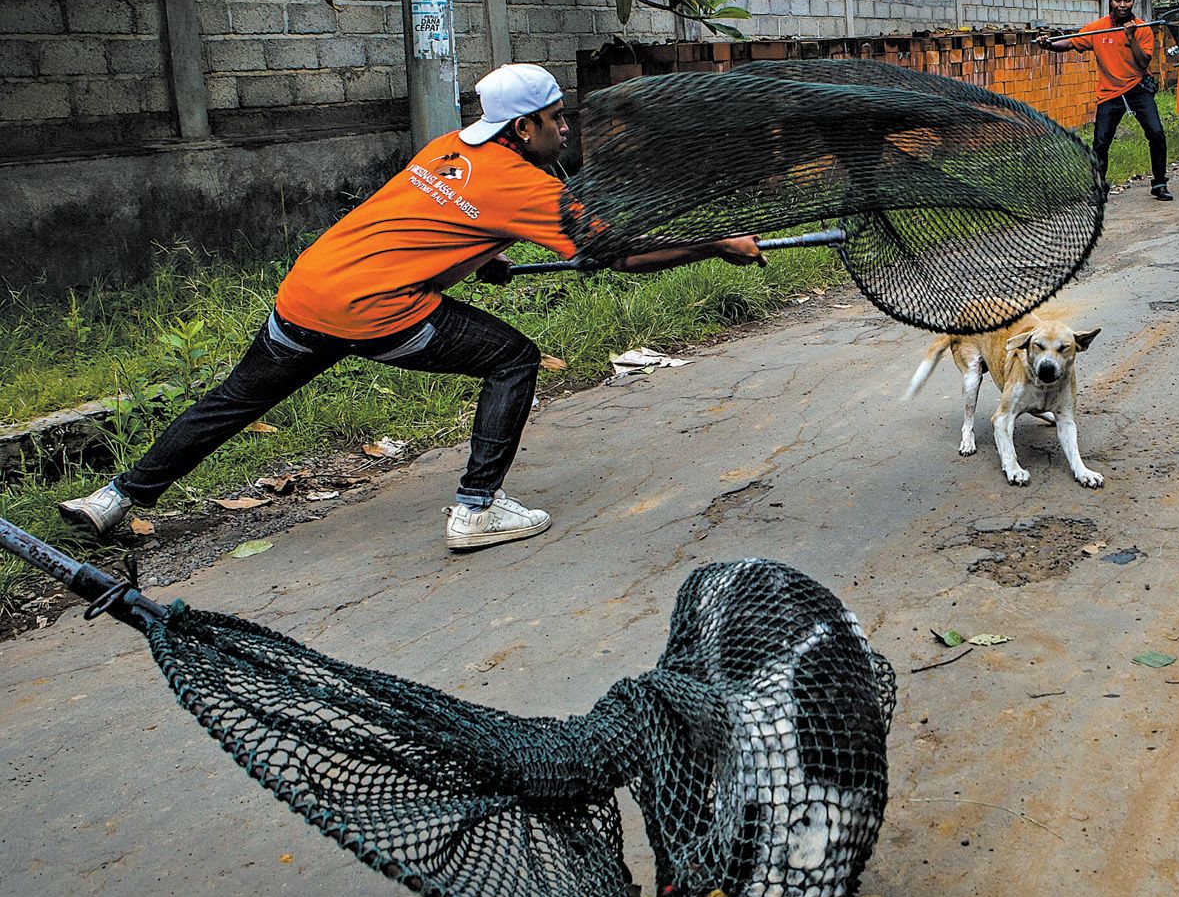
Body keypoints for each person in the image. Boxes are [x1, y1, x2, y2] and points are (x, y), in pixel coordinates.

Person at [59, 63, 764, 551]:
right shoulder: (526, 186)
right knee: (513, 358)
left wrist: (481, 258)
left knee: (232, 402)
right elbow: (618, 252)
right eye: (555, 120)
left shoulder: (450, 149)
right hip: (376, 310)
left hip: (310, 287)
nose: (565, 132)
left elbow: (424, 219)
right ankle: (476, 509)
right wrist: (714, 244)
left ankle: (112, 501)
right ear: (522, 129)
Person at [1036, 0, 1173, 201]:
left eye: (1127, 1)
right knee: (1101, 141)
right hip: (1110, 93)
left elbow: (1143, 63)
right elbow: (1070, 43)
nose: (1122, 4)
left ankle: (1159, 184)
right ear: (1111, 0)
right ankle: (1099, 187)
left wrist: (1131, 36)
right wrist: (1049, 44)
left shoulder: (1143, 29)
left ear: (1133, 2)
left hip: (1138, 88)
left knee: (1156, 133)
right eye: (1118, 0)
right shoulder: (1097, 28)